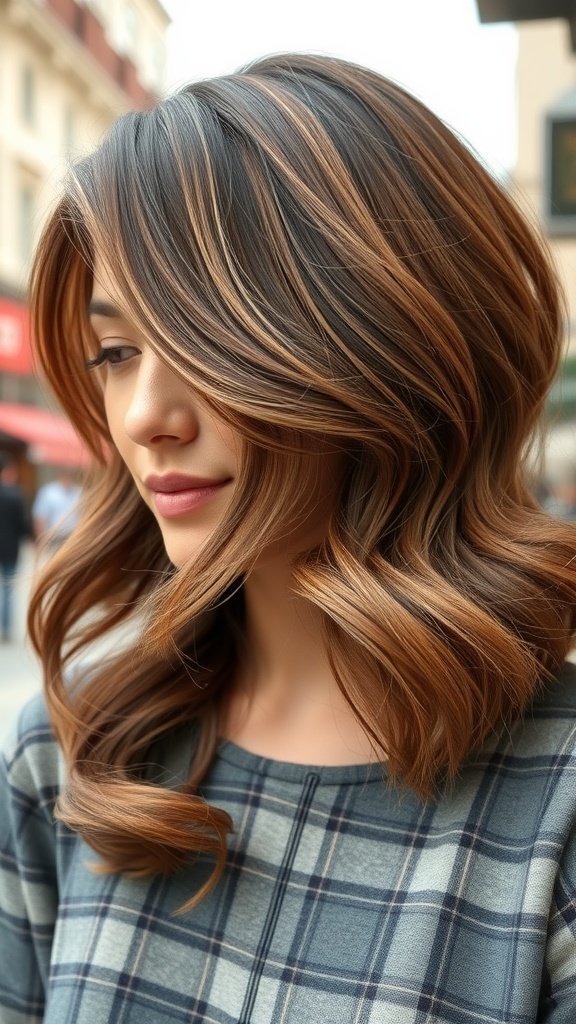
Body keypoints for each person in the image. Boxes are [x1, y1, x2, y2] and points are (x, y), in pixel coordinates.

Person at [1, 53, 576, 1023]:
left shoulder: (551, 807)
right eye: (117, 351)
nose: (146, 415)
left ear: (388, 344)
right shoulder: (73, 758)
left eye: (208, 342)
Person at [0, 456, 30, 642]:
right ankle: (6, 629)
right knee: (8, 590)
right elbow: (24, 526)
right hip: (11, 548)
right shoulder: (17, 495)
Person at [32, 468, 80, 551]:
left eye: (70, 476)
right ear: (60, 476)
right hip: (54, 537)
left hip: (72, 536)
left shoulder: (78, 492)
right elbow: (40, 516)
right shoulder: (48, 492)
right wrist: (41, 539)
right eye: (66, 476)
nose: (68, 479)